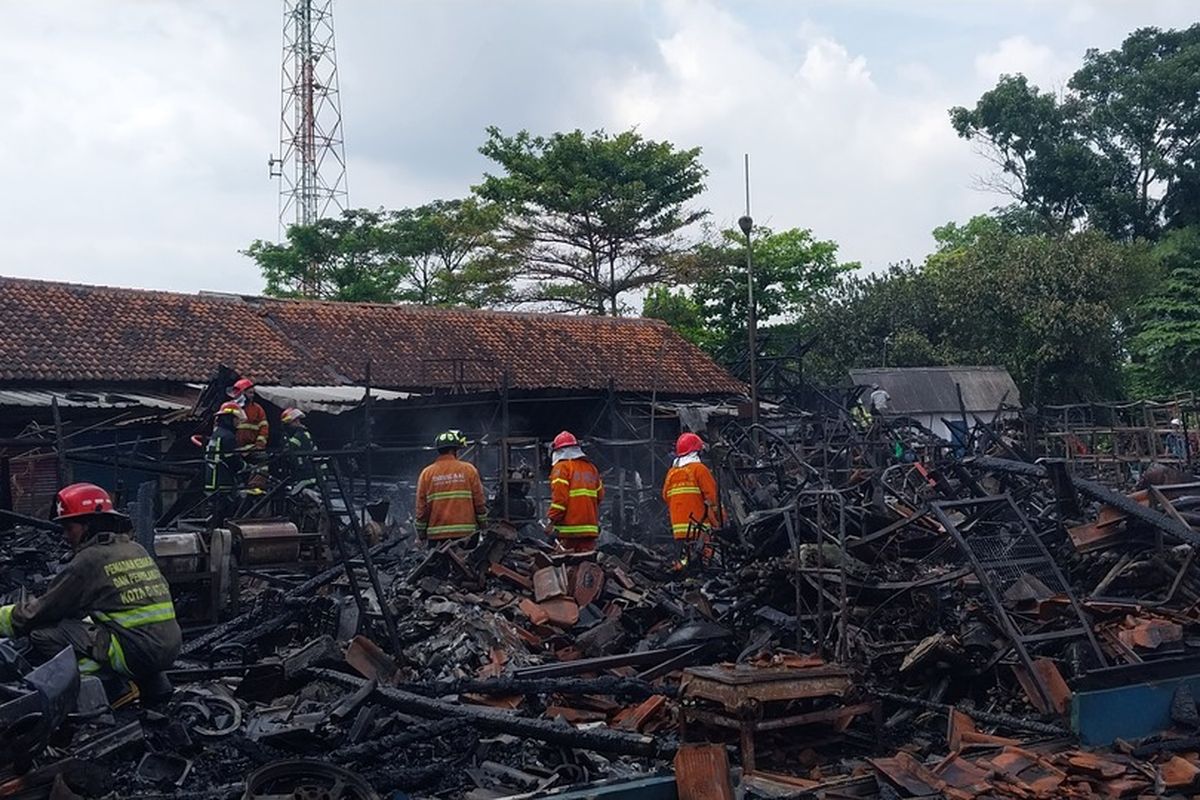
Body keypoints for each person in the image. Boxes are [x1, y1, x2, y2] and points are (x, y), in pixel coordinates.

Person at [0, 483, 181, 690]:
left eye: (69, 528)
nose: (66, 536)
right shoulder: (134, 549)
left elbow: (40, 612)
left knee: (43, 634)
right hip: (169, 648)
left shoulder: (89, 560)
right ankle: (143, 682)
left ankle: (101, 687)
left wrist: (5, 619)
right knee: (83, 621)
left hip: (136, 655)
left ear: (89, 525)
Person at [414, 430, 488, 542]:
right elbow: (479, 502)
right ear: (454, 450)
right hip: (466, 536)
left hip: (437, 538)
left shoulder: (427, 473)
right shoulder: (469, 470)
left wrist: (421, 533)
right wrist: (483, 525)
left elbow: (421, 508)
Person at [662, 432, 722, 568]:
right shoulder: (700, 470)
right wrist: (719, 520)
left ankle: (683, 570)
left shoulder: (671, 473)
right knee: (705, 560)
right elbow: (713, 498)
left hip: (678, 528)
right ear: (696, 452)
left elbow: (665, 496)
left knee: (685, 558)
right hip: (698, 526)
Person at [545, 431, 604, 553]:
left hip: (569, 532)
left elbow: (560, 501)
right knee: (586, 567)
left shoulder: (561, 468)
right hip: (590, 531)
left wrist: (551, 521)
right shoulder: (591, 468)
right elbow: (600, 496)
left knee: (567, 568)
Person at [205, 401, 246, 525]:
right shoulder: (228, 436)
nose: (238, 423)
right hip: (224, 483)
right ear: (229, 419)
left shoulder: (216, 434)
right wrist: (245, 466)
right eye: (236, 419)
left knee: (215, 514)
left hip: (211, 482)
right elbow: (232, 460)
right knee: (227, 516)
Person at [229, 378, 269, 492]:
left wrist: (259, 445)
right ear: (242, 392)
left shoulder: (257, 409)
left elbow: (264, 427)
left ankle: (256, 487)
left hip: (251, 447)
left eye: (253, 393)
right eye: (250, 392)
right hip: (233, 448)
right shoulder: (229, 407)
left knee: (263, 461)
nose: (252, 395)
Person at [280, 407, 324, 491]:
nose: (298, 422)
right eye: (295, 421)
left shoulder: (302, 435)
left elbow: (290, 449)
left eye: (298, 420)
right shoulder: (290, 436)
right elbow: (288, 451)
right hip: (297, 477)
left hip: (306, 476)